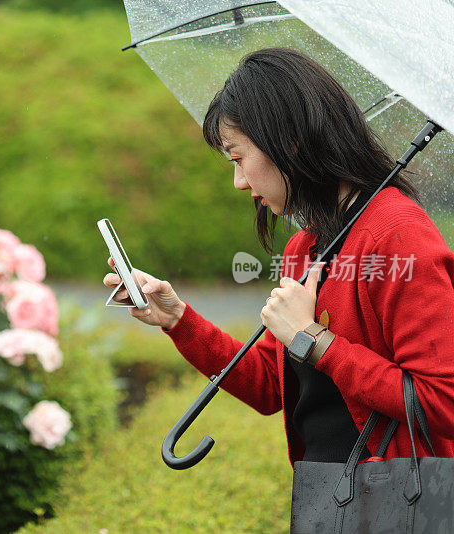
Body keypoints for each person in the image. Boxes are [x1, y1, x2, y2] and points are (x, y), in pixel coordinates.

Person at [103, 48, 454, 465]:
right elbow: (271, 384)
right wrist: (178, 318)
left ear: (290, 141)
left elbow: (442, 402)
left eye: (238, 158)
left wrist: (315, 341)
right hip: (327, 498)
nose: (237, 181)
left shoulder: (397, 235)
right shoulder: (305, 247)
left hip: (396, 505)